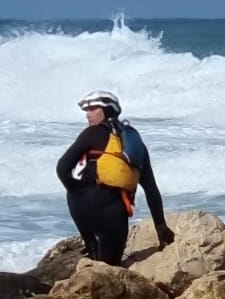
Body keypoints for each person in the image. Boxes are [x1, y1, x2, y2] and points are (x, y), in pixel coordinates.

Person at [55, 91, 174, 266]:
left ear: (105, 110)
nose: (87, 115)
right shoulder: (135, 143)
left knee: (73, 193)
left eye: (92, 109)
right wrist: (160, 226)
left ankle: (90, 244)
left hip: (85, 206)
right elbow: (151, 189)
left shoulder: (92, 133)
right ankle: (99, 254)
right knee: (111, 267)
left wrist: (76, 191)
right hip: (116, 213)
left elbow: (62, 168)